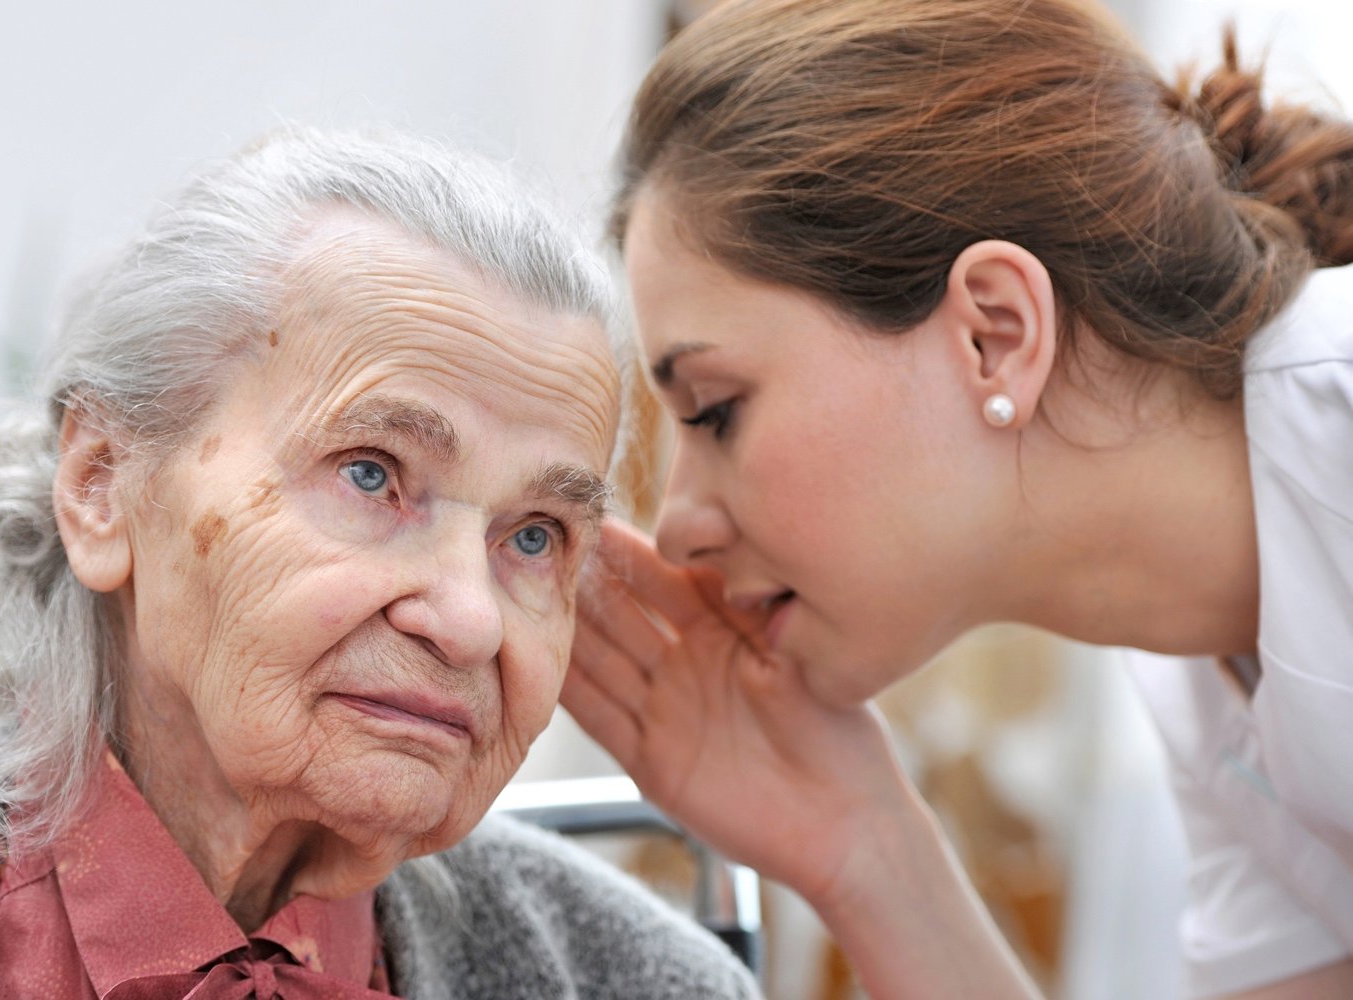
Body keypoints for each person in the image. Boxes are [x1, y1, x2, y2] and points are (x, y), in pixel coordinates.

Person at [0, 126, 760, 1000]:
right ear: (103, 485)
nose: (471, 619)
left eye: (535, 535)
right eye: (372, 475)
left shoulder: (639, 978)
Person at [561, 0, 1353, 997]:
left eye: (717, 411)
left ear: (997, 332)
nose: (676, 528)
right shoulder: (1207, 675)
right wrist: (869, 849)